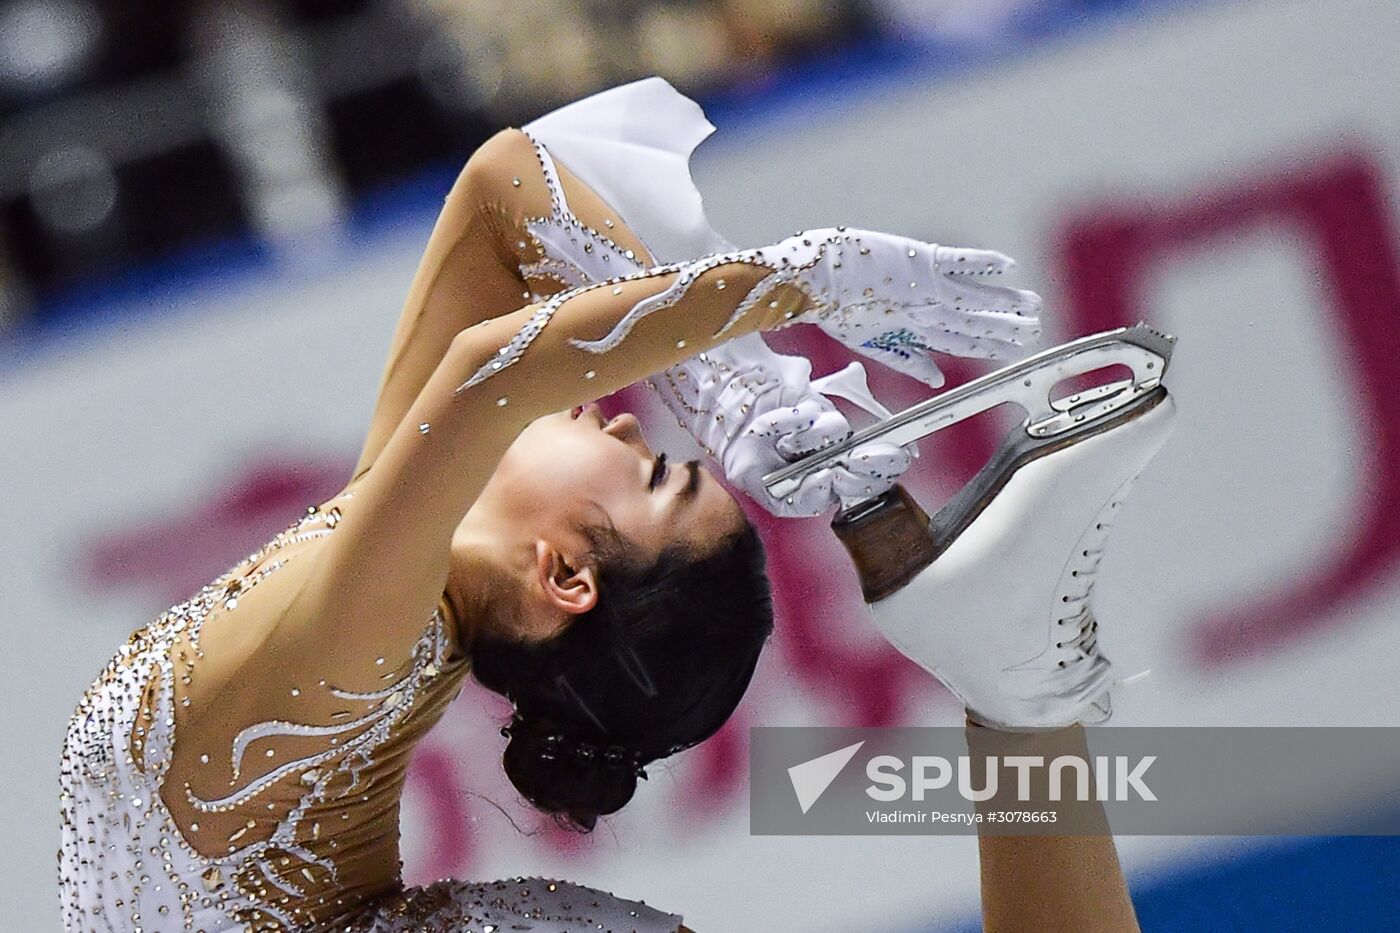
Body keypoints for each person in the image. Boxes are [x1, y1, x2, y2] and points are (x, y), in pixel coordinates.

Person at [58, 77, 1143, 932]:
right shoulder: (402, 572)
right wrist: (740, 391)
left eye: (660, 476)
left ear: (564, 577)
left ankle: (1017, 703)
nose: (632, 426)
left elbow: (494, 370)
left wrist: (798, 283)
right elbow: (507, 186)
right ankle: (1018, 704)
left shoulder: (358, 645)